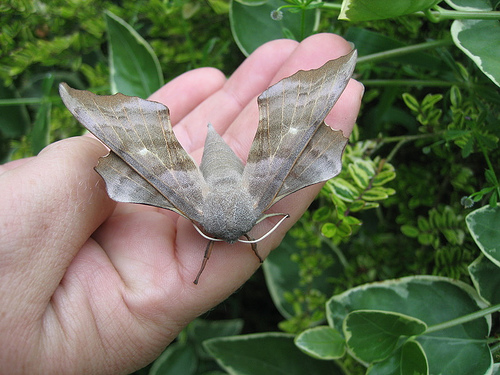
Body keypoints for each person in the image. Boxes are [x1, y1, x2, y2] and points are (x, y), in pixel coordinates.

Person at [0, 33, 363, 374]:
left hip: (208, 186)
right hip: (239, 184)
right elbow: (277, 215)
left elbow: (270, 218)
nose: (232, 242)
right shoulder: (253, 207)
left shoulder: (213, 214)